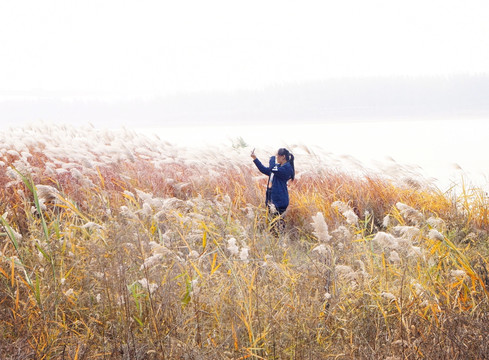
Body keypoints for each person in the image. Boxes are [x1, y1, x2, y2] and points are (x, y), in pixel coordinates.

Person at [251, 148, 295, 218]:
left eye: (277, 156)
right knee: (271, 224)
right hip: (272, 198)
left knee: (278, 224)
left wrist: (272, 157)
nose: (276, 158)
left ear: (283, 156)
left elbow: (272, 168)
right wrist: (255, 158)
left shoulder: (287, 168)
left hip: (279, 200)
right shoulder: (278, 167)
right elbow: (264, 170)